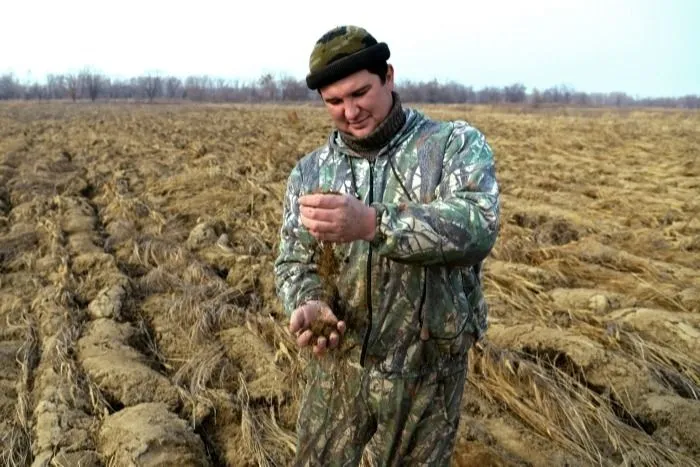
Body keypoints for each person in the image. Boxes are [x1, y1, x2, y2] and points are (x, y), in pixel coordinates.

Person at [273, 25, 500, 466]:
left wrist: (372, 222)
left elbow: (478, 227)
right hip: (339, 366)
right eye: (334, 102)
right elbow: (293, 259)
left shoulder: (452, 145)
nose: (350, 111)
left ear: (389, 77)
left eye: (360, 93)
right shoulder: (310, 172)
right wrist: (307, 300)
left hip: (427, 373)